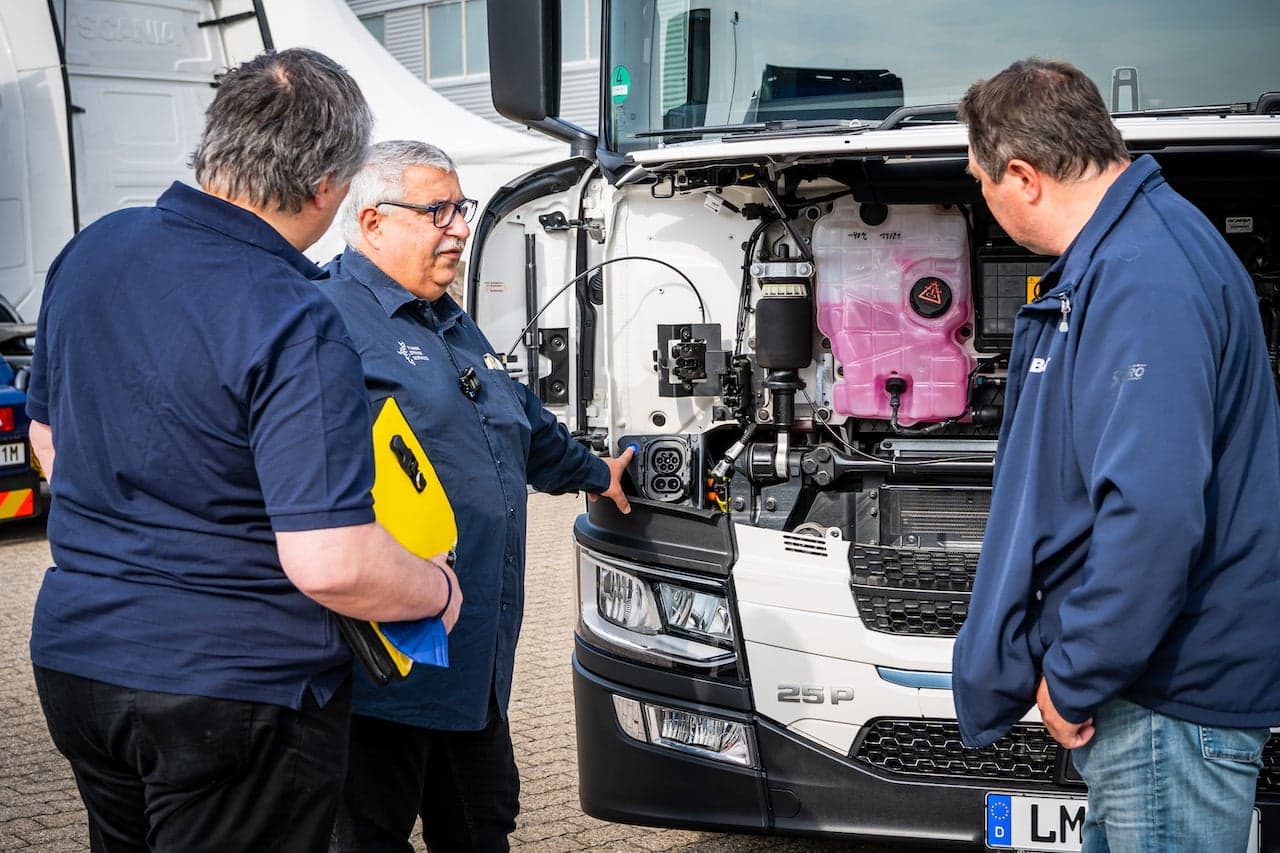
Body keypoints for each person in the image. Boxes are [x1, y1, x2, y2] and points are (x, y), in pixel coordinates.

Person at [25, 50, 461, 853]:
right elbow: (329, 560)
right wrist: (432, 588)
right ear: (329, 184)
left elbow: (48, 439)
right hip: (232, 693)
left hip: (81, 664)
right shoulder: (295, 314)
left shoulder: (93, 251)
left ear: (217, 140)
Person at [951, 58, 1280, 852]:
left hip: (1167, 705)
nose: (982, 201)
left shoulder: (1144, 280)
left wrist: (1076, 672)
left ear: (1023, 177)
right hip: (1154, 706)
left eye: (981, 181)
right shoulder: (1131, 256)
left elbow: (1154, 513)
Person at [317, 140, 632, 853]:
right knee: (368, 835)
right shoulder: (324, 316)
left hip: (473, 666)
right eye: (439, 211)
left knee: (484, 822)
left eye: (460, 208)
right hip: (383, 671)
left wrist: (598, 472)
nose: (461, 226)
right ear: (372, 222)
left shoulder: (449, 320)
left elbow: (520, 421)